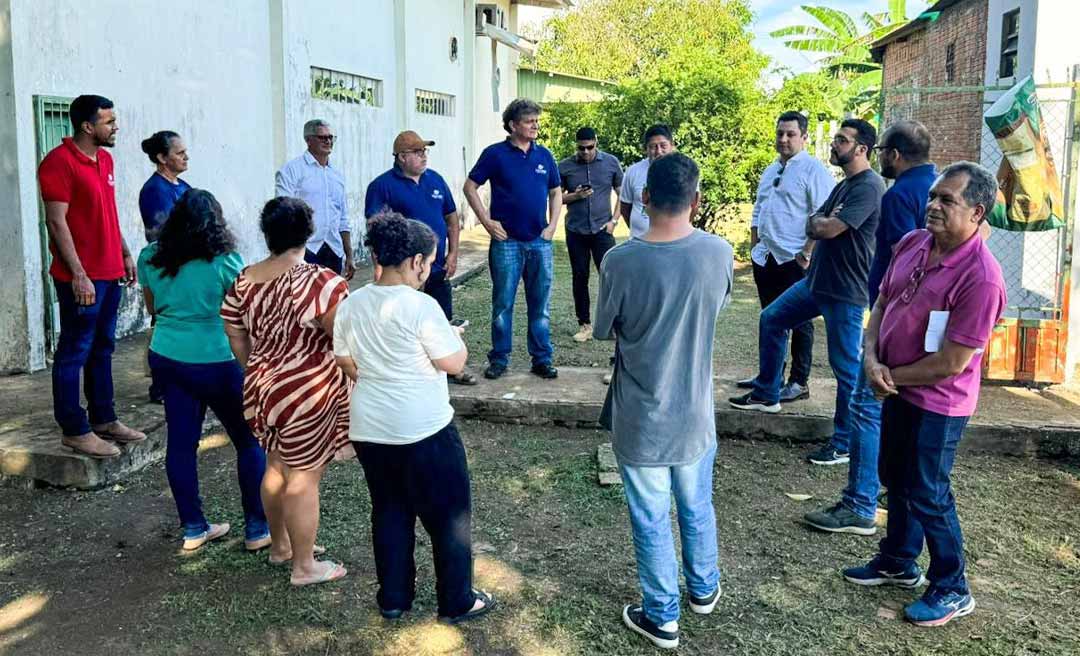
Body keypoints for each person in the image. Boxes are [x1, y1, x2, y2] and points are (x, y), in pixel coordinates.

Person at [843, 162, 1005, 627]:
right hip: (895, 386)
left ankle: (953, 586)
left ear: (976, 213)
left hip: (940, 403)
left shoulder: (982, 277)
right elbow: (883, 303)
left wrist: (887, 374)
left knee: (929, 492)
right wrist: (872, 359)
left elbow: (952, 362)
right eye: (933, 196)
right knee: (895, 477)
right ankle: (898, 559)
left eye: (946, 200)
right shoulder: (914, 243)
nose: (933, 205)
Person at [595, 153, 733, 650]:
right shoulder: (718, 253)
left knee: (652, 516)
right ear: (695, 201)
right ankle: (703, 588)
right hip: (695, 413)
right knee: (697, 504)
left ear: (645, 197)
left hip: (641, 417)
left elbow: (603, 329)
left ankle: (661, 615)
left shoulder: (620, 260)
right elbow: (715, 307)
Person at [333, 211, 494, 624]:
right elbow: (454, 363)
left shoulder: (351, 303)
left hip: (371, 429)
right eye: (430, 262)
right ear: (417, 262)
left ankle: (393, 598)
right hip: (424, 431)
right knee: (449, 516)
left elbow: (348, 364)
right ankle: (457, 600)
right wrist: (451, 338)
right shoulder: (422, 306)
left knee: (389, 510)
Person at [804, 120, 938, 535]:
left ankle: (859, 503)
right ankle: (892, 487)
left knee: (866, 401)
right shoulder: (938, 187)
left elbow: (905, 264)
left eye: (881, 150)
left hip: (897, 314)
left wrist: (884, 323)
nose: (881, 158)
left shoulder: (898, 195)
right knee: (901, 408)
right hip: (925, 318)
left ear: (893, 155)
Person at [729, 120, 884, 469]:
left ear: (862, 149)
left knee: (846, 369)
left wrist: (820, 222)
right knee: (771, 319)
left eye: (842, 140)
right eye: (836, 138)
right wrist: (819, 221)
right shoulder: (845, 185)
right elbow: (817, 219)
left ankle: (843, 442)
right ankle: (768, 392)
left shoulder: (869, 187)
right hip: (816, 282)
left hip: (845, 290)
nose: (835, 144)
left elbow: (824, 225)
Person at [221, 196, 351, 587]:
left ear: (267, 234)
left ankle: (281, 546)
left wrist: (257, 369)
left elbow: (234, 333)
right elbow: (340, 339)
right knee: (304, 477)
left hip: (262, 385)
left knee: (277, 466)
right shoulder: (323, 282)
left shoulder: (244, 279)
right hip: (309, 389)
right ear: (308, 233)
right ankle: (305, 566)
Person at [139, 189, 269, 552]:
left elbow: (153, 306)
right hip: (218, 358)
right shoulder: (226, 260)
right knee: (247, 441)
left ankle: (194, 527)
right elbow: (242, 313)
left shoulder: (151, 256)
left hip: (168, 355)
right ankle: (257, 528)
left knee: (181, 444)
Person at [38, 94, 146, 458]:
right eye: (109, 122)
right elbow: (56, 221)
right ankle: (73, 427)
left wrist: (126, 252)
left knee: (103, 347)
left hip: (109, 270)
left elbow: (107, 212)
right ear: (87, 126)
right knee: (74, 350)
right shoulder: (58, 163)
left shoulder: (105, 158)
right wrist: (79, 274)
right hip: (80, 278)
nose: (116, 127)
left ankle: (104, 418)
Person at [364, 130, 477, 385]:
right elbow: (375, 231)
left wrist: (453, 254)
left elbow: (451, 219)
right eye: (417, 152)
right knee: (403, 318)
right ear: (402, 157)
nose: (424, 156)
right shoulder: (382, 186)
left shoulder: (435, 180)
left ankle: (452, 367)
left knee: (441, 316)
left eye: (425, 151)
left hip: (435, 265)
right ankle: (408, 368)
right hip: (402, 270)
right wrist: (379, 266)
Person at [735, 111, 834, 403]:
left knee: (800, 322)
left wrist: (806, 253)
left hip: (795, 260)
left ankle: (798, 381)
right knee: (770, 319)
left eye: (790, 134)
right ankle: (770, 376)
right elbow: (758, 209)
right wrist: (755, 246)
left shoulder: (813, 170)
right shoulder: (771, 169)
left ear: (804, 137)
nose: (783, 139)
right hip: (766, 257)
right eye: (780, 133)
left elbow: (823, 214)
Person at [463, 98, 562, 380]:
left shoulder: (544, 155)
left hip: (539, 241)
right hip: (506, 243)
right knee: (503, 303)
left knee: (539, 304)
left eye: (536, 121)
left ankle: (542, 359)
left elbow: (556, 192)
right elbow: (470, 187)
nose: (535, 126)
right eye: (529, 121)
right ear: (512, 125)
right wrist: (486, 221)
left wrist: (553, 225)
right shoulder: (495, 154)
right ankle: (499, 359)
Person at [138, 130, 192, 404]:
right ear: (161, 158)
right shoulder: (154, 190)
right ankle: (160, 386)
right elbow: (164, 232)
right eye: (179, 153)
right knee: (163, 322)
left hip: (187, 263)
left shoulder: (182, 186)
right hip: (167, 265)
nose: (185, 157)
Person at [558, 126, 624, 342]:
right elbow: (555, 198)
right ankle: (584, 325)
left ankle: (613, 323)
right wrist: (575, 196)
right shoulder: (565, 166)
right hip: (576, 230)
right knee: (580, 277)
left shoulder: (611, 163)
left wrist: (614, 221)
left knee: (610, 277)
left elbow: (622, 194)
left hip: (602, 230)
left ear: (596, 143)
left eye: (590, 147)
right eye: (581, 148)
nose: (585, 152)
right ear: (575, 146)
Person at [275, 119, 355, 279]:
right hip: (304, 251)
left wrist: (349, 255)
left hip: (334, 251)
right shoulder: (292, 171)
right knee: (304, 301)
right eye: (322, 137)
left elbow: (343, 218)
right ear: (308, 140)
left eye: (331, 137)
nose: (328, 141)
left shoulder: (337, 175)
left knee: (333, 301)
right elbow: (283, 211)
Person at [619, 124, 676, 238]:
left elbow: (692, 206)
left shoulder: (684, 170)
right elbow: (625, 208)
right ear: (646, 149)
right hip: (640, 242)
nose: (658, 151)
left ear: (672, 146)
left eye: (663, 145)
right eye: (653, 147)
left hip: (673, 242)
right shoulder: (632, 172)